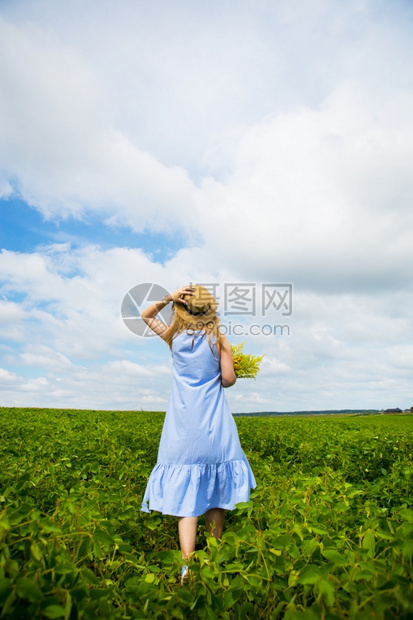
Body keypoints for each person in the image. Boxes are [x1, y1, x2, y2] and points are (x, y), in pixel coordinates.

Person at [140, 285, 256, 584]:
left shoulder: (174, 338)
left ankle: (186, 567)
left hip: (181, 428)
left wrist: (168, 297)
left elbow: (145, 315)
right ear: (210, 310)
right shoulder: (218, 339)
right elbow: (228, 380)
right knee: (216, 496)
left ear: (182, 309)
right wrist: (228, 366)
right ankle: (214, 560)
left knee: (186, 500)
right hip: (215, 425)